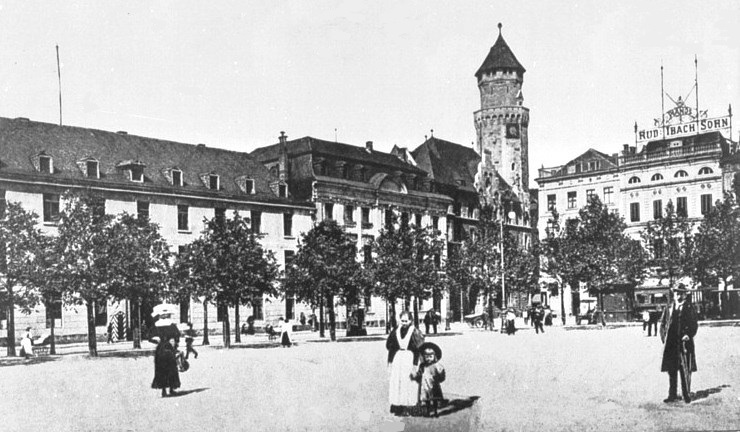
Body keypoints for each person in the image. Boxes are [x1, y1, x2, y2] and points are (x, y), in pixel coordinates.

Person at [659, 284, 698, 404]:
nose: (678, 295)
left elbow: (694, 324)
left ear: (684, 294)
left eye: (680, 293)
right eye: (676, 293)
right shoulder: (669, 307)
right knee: (671, 369)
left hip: (684, 342)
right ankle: (672, 395)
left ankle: (686, 394)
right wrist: (664, 338)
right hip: (671, 343)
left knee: (684, 368)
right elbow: (662, 324)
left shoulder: (689, 307)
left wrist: (689, 334)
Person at [386, 311, 425, 416]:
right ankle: (397, 404)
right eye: (402, 320)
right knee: (397, 381)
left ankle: (409, 405)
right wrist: (390, 362)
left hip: (409, 357)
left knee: (408, 381)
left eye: (406, 321)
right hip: (398, 358)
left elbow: (418, 349)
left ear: (411, 321)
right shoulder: (395, 331)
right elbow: (391, 347)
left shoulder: (414, 332)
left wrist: (415, 365)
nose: (404, 323)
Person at [410, 342, 446, 417]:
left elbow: (441, 373)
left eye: (430, 356)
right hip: (425, 385)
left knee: (434, 399)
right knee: (427, 400)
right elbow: (419, 374)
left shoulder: (437, 365)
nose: (428, 358)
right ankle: (428, 411)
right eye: (426, 356)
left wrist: (440, 377)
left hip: (434, 385)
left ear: (434, 356)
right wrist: (415, 376)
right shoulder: (422, 365)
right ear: (423, 356)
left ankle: (435, 411)